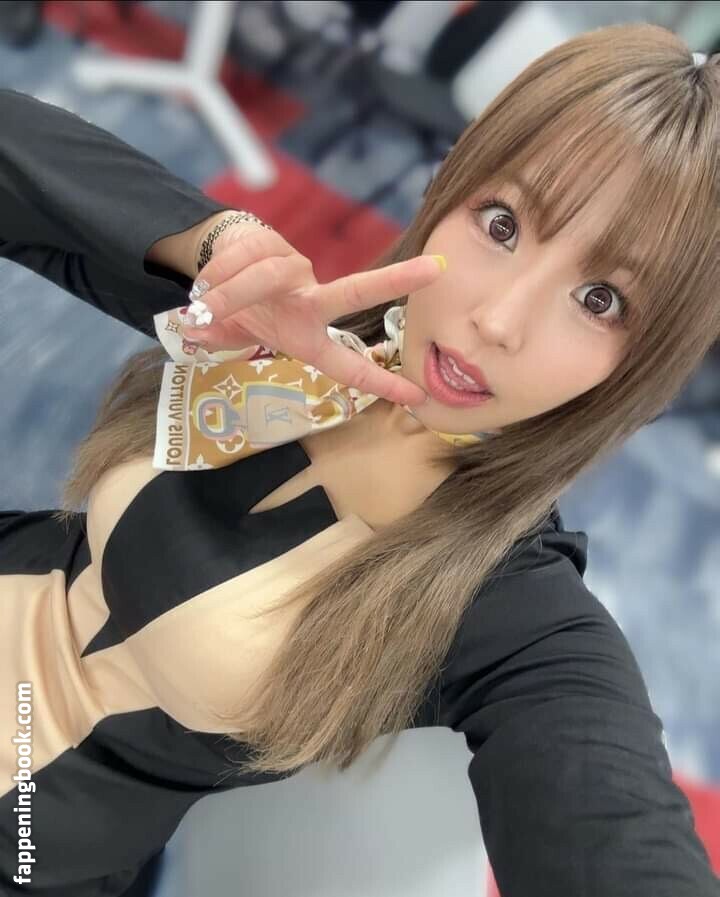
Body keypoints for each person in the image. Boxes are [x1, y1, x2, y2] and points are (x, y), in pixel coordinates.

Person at [0, 20, 718, 897]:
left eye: (600, 299)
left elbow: (608, 827)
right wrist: (208, 244)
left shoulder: (515, 611)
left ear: (642, 363)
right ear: (448, 188)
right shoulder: (291, 332)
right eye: (502, 223)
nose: (499, 319)